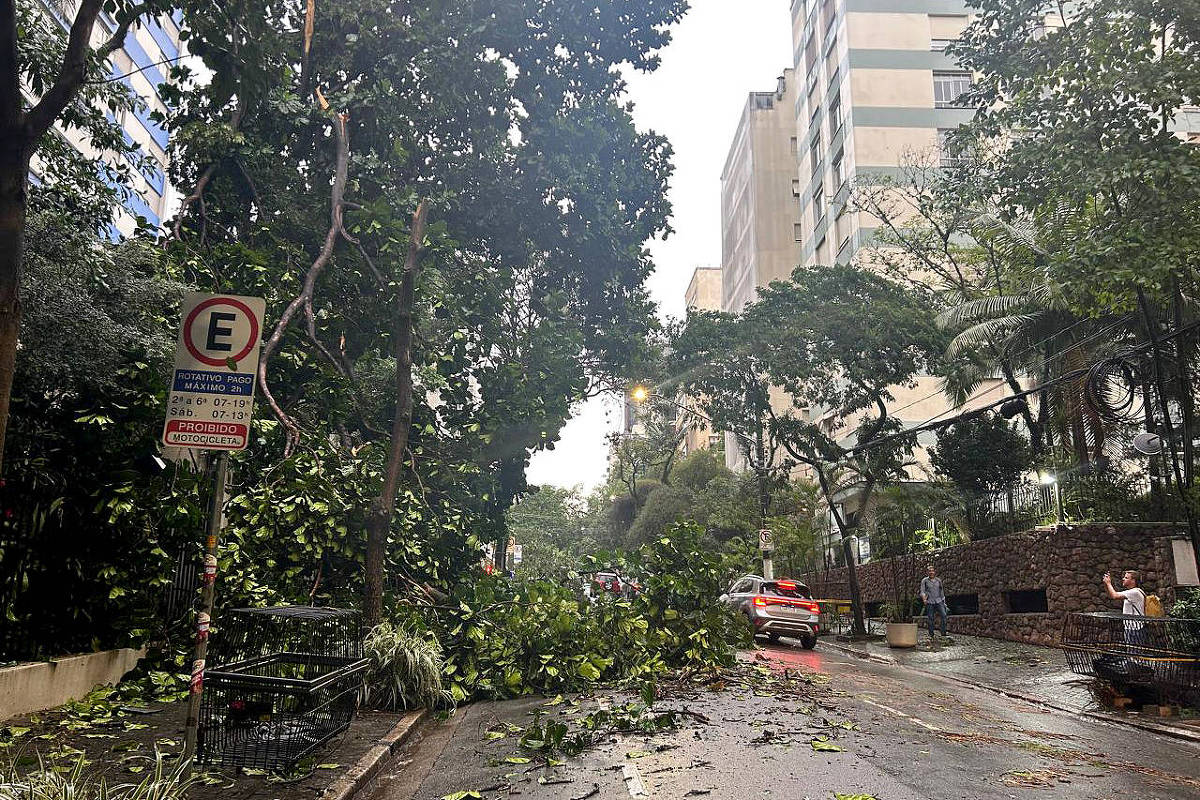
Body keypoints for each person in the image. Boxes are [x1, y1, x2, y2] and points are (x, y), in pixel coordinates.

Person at [1103, 570, 1147, 646]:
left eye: (1126, 578)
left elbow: (1115, 595)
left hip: (1135, 629)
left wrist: (1108, 583)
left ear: (1133, 580)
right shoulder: (1131, 592)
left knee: (1135, 655)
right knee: (1131, 655)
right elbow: (1111, 595)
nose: (1123, 579)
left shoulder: (1135, 592)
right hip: (1131, 628)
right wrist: (1106, 584)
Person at [920, 565, 950, 641]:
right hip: (930, 601)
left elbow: (941, 592)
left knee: (944, 615)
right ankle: (931, 634)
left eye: (932, 571)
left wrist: (944, 602)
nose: (931, 572)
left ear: (934, 572)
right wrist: (924, 599)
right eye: (929, 571)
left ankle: (943, 633)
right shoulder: (924, 581)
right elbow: (922, 591)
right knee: (931, 618)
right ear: (927, 572)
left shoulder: (938, 580)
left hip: (939, 601)